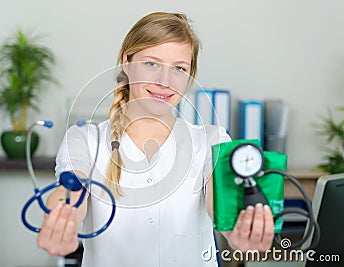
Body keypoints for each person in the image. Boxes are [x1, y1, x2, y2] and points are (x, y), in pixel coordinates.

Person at [37, 11, 274, 266]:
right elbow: (71, 190)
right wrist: (64, 218)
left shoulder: (212, 140)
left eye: (179, 69)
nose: (164, 81)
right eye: (152, 64)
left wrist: (238, 228)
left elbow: (223, 203)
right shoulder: (84, 139)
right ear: (126, 63)